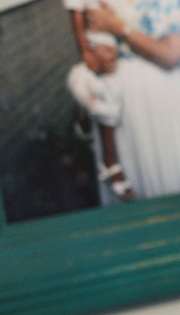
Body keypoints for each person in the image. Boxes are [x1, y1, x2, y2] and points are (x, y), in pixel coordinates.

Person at [83, 0, 180, 205]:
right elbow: (91, 30)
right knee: (129, 178)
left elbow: (172, 55)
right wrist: (96, 54)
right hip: (116, 100)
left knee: (173, 175)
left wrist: (118, 28)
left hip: (160, 95)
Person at [64, 0, 134, 202]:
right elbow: (77, 17)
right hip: (96, 48)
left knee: (112, 101)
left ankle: (87, 121)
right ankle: (110, 162)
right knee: (98, 97)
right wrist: (86, 51)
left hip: (111, 46)